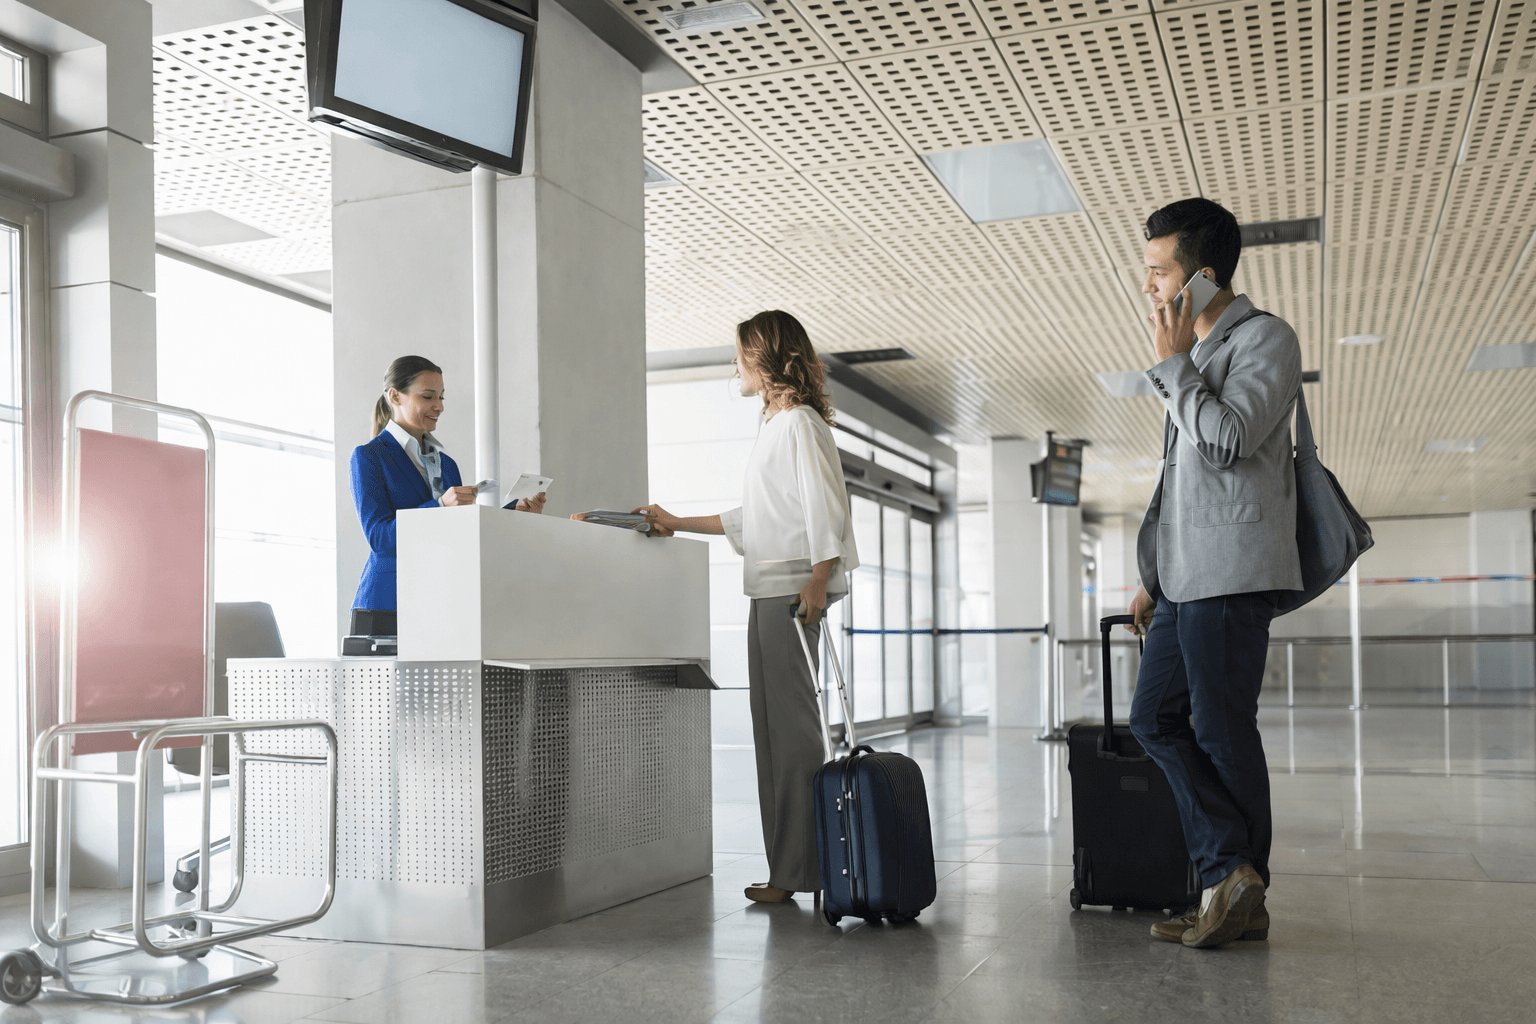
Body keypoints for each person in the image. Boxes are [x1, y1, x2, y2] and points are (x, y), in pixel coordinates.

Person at [1125, 198, 1303, 949]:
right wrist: (1155, 572)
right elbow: (1184, 481)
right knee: (1153, 719)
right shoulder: (1196, 358)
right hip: (1184, 575)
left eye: (1159, 271)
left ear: (1201, 277)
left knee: (1224, 730)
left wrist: (1174, 368)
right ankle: (1230, 878)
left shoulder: (1265, 339)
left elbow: (1227, 441)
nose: (1148, 286)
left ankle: (1235, 891)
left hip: (1230, 572)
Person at [635, 310, 859, 904]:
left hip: (792, 593)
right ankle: (790, 868)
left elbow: (825, 508)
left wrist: (818, 580)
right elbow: (755, 518)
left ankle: (801, 869)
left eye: (739, 355)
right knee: (772, 733)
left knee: (793, 733)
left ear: (765, 357)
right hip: (769, 591)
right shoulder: (778, 425)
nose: (733, 366)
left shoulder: (800, 423)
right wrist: (677, 521)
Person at [350, 355, 546, 624]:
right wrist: (440, 506)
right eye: (428, 396)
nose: (439, 406)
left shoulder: (447, 464)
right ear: (395, 396)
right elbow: (379, 538)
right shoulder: (369, 457)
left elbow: (461, 538)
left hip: (441, 603)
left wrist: (514, 514)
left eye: (441, 397)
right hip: (388, 605)